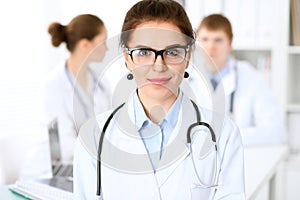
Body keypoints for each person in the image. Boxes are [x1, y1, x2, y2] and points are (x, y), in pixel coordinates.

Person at [73, 1, 245, 199]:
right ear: (127, 58)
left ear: (187, 57)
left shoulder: (224, 135)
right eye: (144, 52)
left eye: (172, 52)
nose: (158, 65)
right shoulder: (94, 137)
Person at [195, 14, 287, 146]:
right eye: (205, 39)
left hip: (241, 160)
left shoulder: (250, 77)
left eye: (218, 40)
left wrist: (228, 138)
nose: (211, 47)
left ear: (230, 44)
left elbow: (277, 132)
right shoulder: (186, 78)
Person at [43, 14, 109, 164]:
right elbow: (64, 145)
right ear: (85, 45)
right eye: (103, 42)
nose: (107, 48)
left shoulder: (101, 81)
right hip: (55, 169)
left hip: (92, 163)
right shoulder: (54, 84)